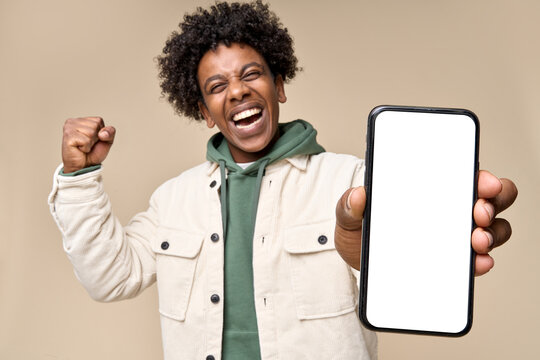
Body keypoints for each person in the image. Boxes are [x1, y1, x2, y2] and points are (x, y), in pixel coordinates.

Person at [48, 1, 518, 359]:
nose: (237, 91)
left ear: (280, 85)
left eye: (252, 74)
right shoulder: (174, 199)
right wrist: (78, 177)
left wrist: (390, 251)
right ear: (204, 113)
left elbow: (405, 274)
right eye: (216, 87)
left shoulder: (352, 180)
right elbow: (110, 278)